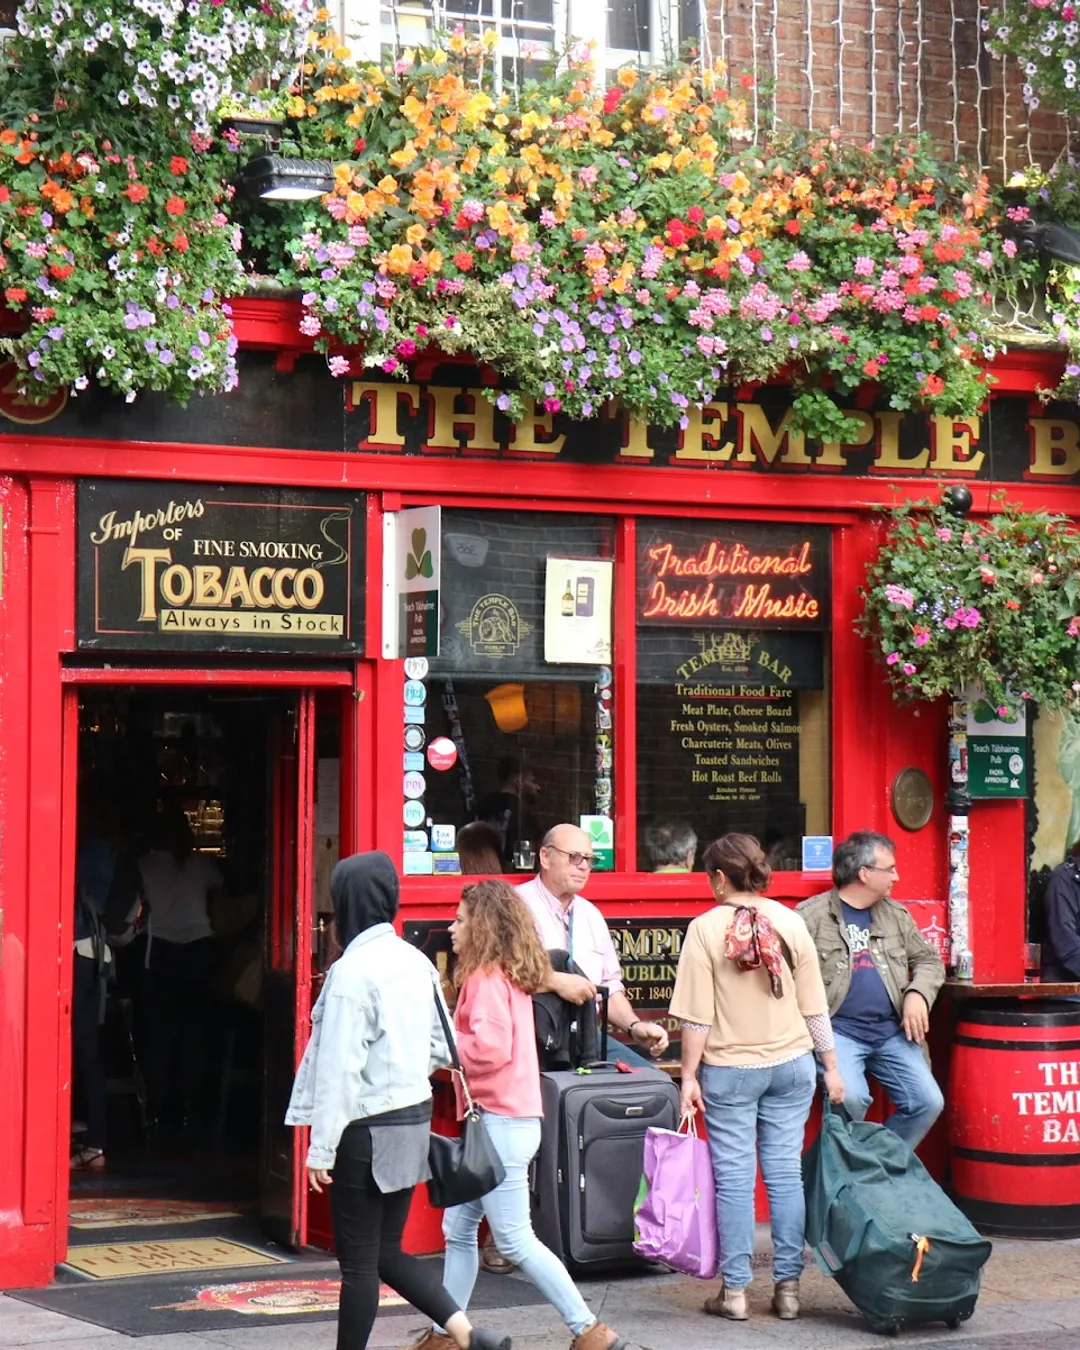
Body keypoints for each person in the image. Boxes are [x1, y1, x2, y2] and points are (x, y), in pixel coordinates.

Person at [285, 853, 511, 1350]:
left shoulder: (350, 973)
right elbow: (441, 1044)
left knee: (359, 1265)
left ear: (346, 904)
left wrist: (320, 1148)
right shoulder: (416, 960)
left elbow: (339, 1071)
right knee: (387, 1252)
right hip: (412, 1123)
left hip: (365, 1130)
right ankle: (467, 1334)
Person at [417, 879, 624, 1350]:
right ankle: (445, 1334)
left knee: (513, 1240)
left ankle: (588, 1329)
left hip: (499, 1124)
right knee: (460, 1228)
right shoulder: (508, 975)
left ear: (483, 926)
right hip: (508, 1122)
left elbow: (488, 1049)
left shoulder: (485, 980)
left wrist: (443, 1050)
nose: (452, 928)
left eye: (461, 920)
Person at [670, 833, 844, 1323]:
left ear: (720, 878)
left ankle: (736, 1293)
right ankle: (788, 1290)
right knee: (786, 1175)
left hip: (731, 1072)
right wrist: (830, 1066)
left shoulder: (704, 929)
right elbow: (815, 1008)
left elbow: (697, 1020)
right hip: (792, 1067)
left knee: (734, 1181)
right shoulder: (791, 921)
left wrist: (688, 1078)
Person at [797, 830, 945, 1150]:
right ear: (864, 873)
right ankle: (856, 1175)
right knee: (851, 1098)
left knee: (927, 1101)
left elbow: (930, 961)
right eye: (889, 868)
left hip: (892, 1032)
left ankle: (872, 1167)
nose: (897, 875)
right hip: (838, 1032)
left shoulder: (895, 915)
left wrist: (917, 993)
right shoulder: (810, 917)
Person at [516, 823, 669, 1070]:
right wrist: (554, 981)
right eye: (574, 857)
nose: (584, 866)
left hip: (585, 1040)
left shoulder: (591, 915)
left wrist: (634, 1026)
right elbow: (500, 973)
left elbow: (609, 985)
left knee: (649, 1082)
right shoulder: (515, 906)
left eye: (589, 859)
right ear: (545, 857)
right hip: (532, 1041)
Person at [137, 810, 224, 1137]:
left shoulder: (144, 864)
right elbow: (222, 891)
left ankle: (159, 1110)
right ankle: (192, 1109)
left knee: (159, 1036)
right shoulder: (201, 864)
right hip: (199, 950)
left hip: (160, 951)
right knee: (194, 1034)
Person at [71, 797, 142, 1169]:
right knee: (88, 1046)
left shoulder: (88, 852)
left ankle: (94, 1140)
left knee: (80, 1047)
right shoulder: (114, 853)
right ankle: (92, 1136)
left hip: (79, 952)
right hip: (98, 957)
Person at [477, 757, 540, 869]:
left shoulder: (483, 805)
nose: (537, 787)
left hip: (481, 866)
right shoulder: (523, 813)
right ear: (518, 780)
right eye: (532, 781)